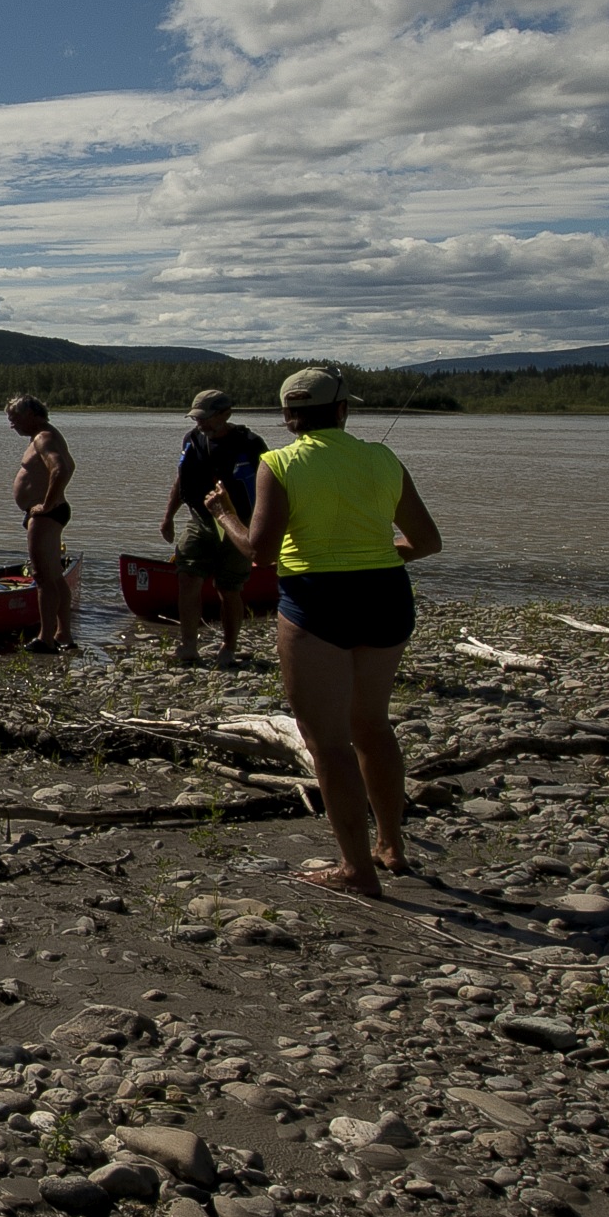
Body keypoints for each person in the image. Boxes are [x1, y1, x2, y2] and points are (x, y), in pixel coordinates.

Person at [206, 366, 443, 899]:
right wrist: (378, 555)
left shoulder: (278, 462)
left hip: (317, 599)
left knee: (328, 741)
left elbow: (260, 553)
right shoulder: (383, 458)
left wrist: (224, 514)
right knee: (372, 725)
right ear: (342, 410)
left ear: (289, 417)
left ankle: (357, 869)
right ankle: (391, 847)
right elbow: (427, 541)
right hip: (386, 595)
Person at [160, 389, 266, 668]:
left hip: (239, 524)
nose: (200, 424)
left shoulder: (251, 444)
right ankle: (188, 646)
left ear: (225, 414)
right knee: (187, 578)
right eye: (196, 418)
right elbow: (180, 481)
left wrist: (265, 528)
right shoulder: (192, 440)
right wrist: (168, 516)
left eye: (205, 418)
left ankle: (228, 648)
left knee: (229, 589)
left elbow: (269, 488)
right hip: (200, 520)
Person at [4, 394, 76, 650]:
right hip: (49, 512)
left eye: (15, 418)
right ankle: (63, 634)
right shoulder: (46, 435)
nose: (12, 424)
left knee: (43, 577)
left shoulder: (44, 437)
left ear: (32, 415)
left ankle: (45, 638)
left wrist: (45, 505)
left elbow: (62, 469)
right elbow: (71, 465)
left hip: (46, 514)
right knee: (55, 577)